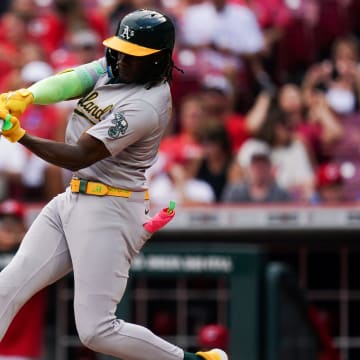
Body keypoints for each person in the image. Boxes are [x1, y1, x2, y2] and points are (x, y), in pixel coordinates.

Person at [0, 9, 227, 360]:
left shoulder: (147, 103)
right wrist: (29, 96)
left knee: (97, 330)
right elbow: (75, 78)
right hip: (73, 198)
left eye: (132, 55)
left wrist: (20, 136)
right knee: (7, 285)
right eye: (120, 48)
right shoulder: (119, 67)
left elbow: (79, 154)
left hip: (110, 208)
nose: (120, 58)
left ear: (157, 61)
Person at [0, 199, 47, 360]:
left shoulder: (35, 250)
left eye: (13, 222)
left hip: (23, 349)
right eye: (3, 222)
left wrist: (22, 240)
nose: (7, 228)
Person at [222, 138, 292, 203]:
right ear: (248, 167)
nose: (259, 167)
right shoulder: (235, 193)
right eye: (255, 163)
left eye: (263, 162)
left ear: (269, 166)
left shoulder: (281, 195)